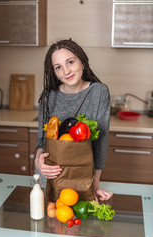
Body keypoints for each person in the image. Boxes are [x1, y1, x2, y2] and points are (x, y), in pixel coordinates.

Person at [34, 38, 113, 201]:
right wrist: (38, 163)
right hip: (52, 175)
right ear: (54, 72)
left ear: (82, 62)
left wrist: (95, 184)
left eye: (70, 62)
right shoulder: (48, 97)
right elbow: (41, 142)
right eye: (58, 67)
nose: (66, 71)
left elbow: (101, 141)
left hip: (83, 176)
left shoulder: (99, 92)